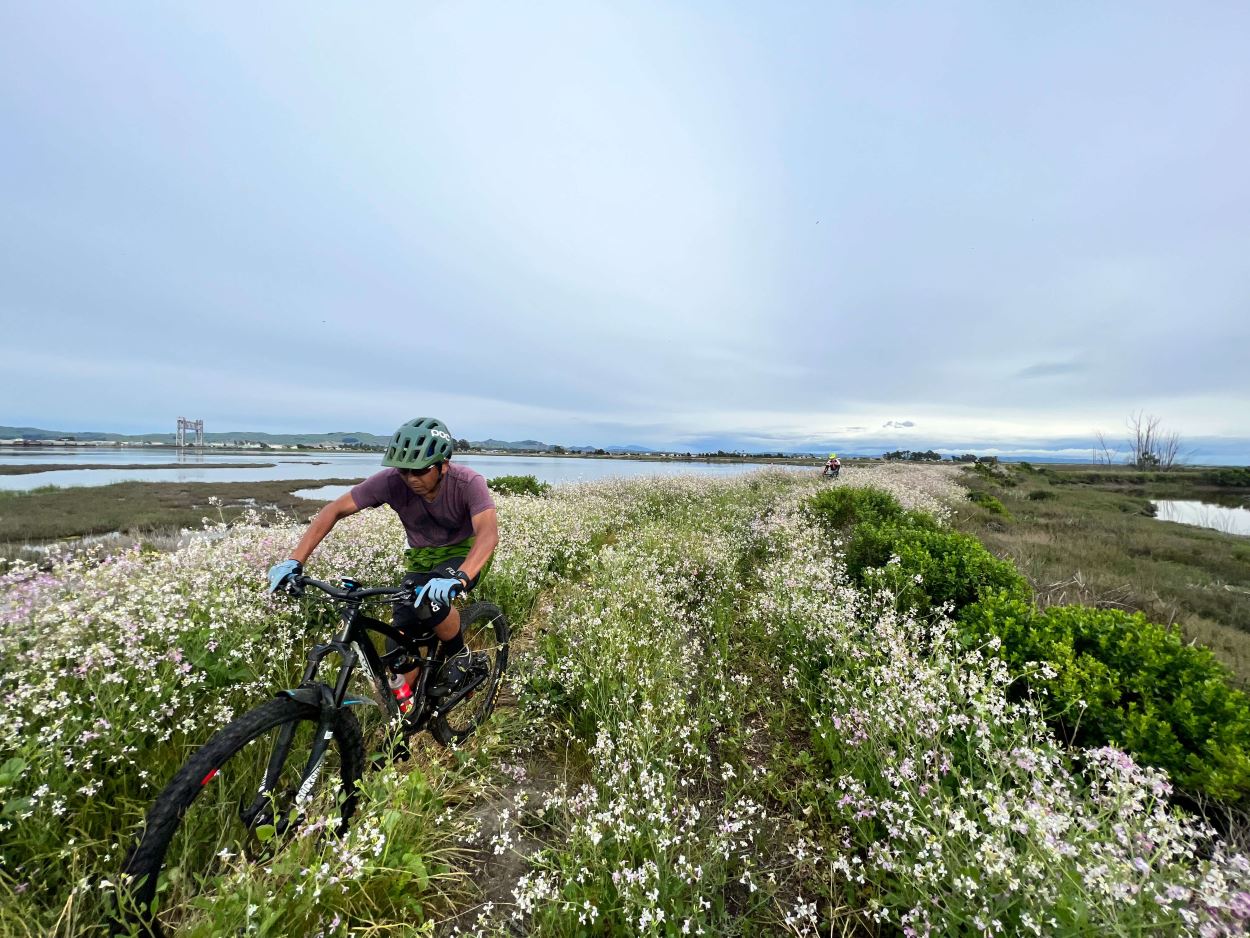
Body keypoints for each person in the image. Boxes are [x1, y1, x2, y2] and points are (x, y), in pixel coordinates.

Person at [266, 417, 499, 697]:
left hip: (462, 555)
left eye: (421, 471)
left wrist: (460, 578)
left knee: (431, 602)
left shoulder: (468, 482)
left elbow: (487, 534)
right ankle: (406, 715)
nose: (411, 479)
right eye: (404, 470)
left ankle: (460, 656)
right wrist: (295, 561)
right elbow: (334, 509)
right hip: (420, 559)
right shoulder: (391, 482)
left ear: (443, 465)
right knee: (399, 642)